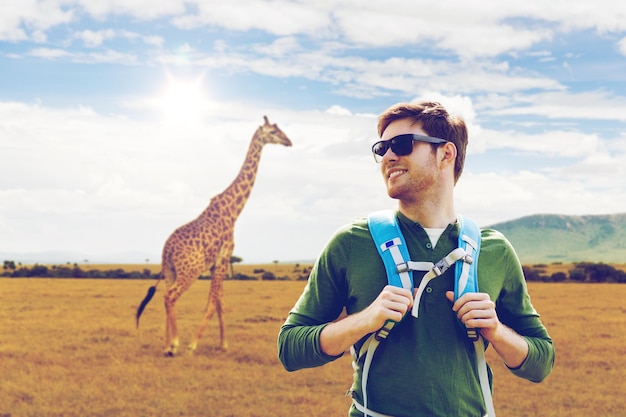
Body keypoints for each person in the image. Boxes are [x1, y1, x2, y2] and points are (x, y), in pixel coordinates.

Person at [277, 101, 555, 417]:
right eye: (381, 148)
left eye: (402, 144)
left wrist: (496, 331)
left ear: (446, 154)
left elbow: (541, 363)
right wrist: (365, 320)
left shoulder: (494, 250)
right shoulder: (352, 242)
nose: (388, 157)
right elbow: (290, 349)